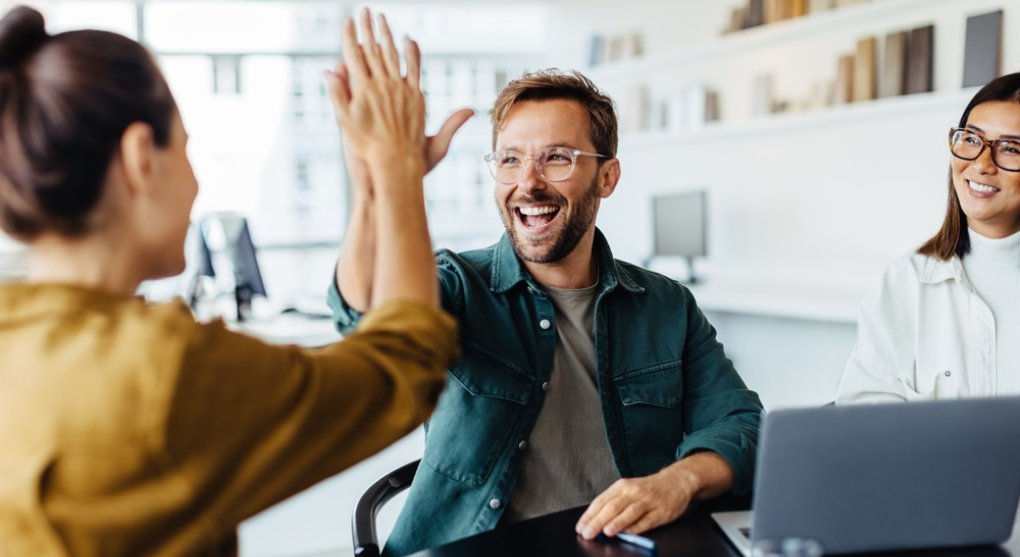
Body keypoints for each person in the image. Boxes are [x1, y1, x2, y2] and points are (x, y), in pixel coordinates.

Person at [0, 6, 458, 556]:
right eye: (187, 148)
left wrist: (373, 188)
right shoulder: (159, 370)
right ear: (140, 157)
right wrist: (398, 165)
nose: (196, 184)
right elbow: (403, 367)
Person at [330, 66, 764, 555]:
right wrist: (377, 184)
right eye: (511, 160)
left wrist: (678, 481)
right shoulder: (457, 286)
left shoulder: (667, 306)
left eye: (557, 158)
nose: (529, 183)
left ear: (607, 177)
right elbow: (364, 313)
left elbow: (742, 425)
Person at [836, 72, 1020, 403]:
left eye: (1010, 148)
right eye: (971, 139)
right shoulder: (903, 283)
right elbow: (866, 421)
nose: (981, 164)